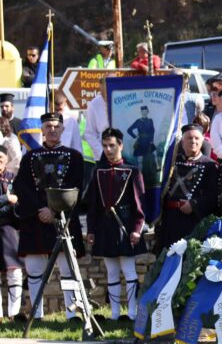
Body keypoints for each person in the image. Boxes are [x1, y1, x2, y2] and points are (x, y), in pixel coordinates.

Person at [12, 112, 85, 319]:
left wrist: (54, 211)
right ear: (42, 130)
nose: (52, 130)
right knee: (34, 271)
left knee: (68, 269)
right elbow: (21, 187)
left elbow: (76, 187)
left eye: (56, 126)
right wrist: (40, 210)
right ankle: (36, 315)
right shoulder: (29, 158)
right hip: (35, 219)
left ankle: (72, 315)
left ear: (62, 129)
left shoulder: (75, 157)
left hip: (64, 219)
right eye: (48, 126)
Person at [85, 128, 145, 321]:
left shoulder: (132, 171)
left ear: (120, 145)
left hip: (125, 226)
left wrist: (137, 230)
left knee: (129, 271)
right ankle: (115, 314)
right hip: (105, 226)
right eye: (105, 146)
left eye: (112, 145)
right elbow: (93, 205)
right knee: (111, 271)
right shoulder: (98, 171)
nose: (108, 150)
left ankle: (133, 313)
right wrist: (91, 229)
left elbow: (139, 204)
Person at [157, 124, 218, 252]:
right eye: (189, 138)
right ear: (182, 141)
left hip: (194, 221)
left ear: (202, 140)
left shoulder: (210, 166)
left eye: (196, 138)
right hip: (171, 220)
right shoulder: (171, 162)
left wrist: (194, 205)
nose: (193, 141)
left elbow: (213, 195)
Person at [0, 149, 23, 320]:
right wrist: (7, 200)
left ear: (6, 160)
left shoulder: (13, 178)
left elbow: (21, 201)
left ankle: (14, 314)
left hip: (9, 229)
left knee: (14, 272)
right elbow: (12, 199)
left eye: (0, 159)